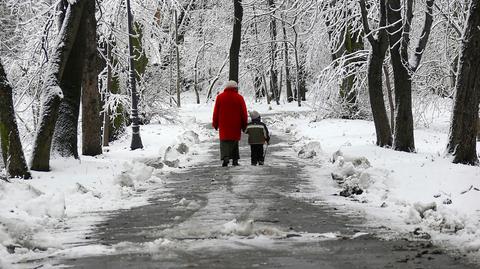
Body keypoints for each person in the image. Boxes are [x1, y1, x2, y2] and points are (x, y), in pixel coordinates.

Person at [212, 80, 248, 167]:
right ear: (235, 88)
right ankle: (235, 160)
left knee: (224, 142)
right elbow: (244, 112)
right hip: (236, 124)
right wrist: (244, 125)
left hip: (224, 124)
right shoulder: (239, 98)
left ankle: (225, 158)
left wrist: (215, 123)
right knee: (234, 142)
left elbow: (216, 112)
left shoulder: (220, 97)